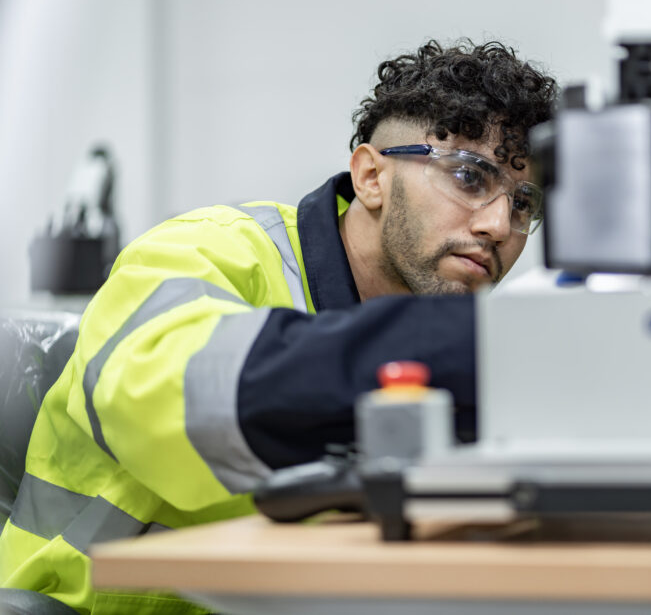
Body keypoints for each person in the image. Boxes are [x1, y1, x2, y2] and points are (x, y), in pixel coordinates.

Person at [0, 39, 557, 614]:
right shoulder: (205, 250)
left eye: (522, 204)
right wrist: (451, 348)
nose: (497, 225)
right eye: (468, 177)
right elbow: (162, 401)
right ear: (371, 177)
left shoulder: (450, 340)